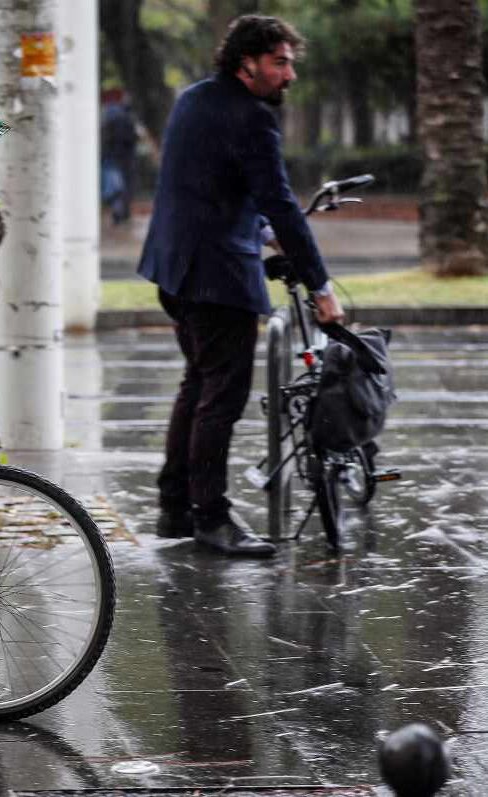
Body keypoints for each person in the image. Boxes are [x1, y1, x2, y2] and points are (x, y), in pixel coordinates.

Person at [137, 15, 345, 557]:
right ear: (245, 63)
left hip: (174, 269)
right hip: (217, 279)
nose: (290, 74)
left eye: (290, 61)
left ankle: (175, 503)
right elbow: (278, 199)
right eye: (280, 62)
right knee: (220, 401)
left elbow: (207, 186)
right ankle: (212, 517)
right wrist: (322, 287)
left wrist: (262, 231)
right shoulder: (251, 118)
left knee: (197, 385)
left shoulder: (193, 99)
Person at [100, 88, 138, 225]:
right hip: (121, 158)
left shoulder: (109, 115)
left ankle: (119, 213)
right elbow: (130, 138)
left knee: (116, 188)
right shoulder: (122, 116)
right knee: (120, 188)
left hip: (112, 157)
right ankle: (120, 214)